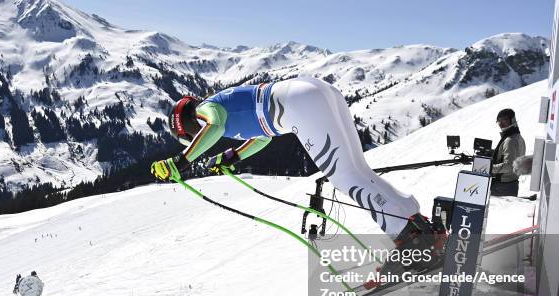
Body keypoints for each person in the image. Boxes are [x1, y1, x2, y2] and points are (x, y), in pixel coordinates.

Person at [151, 77, 443, 266]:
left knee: (345, 176)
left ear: (185, 123)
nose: (194, 138)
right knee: (356, 170)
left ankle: (410, 239)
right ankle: (416, 223)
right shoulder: (225, 109)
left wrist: (180, 162)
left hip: (297, 104)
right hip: (311, 92)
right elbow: (263, 135)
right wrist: (232, 155)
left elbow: (212, 127)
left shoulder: (207, 109)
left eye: (189, 135)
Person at [491, 108, 526, 197]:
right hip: (511, 184)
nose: (501, 123)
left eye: (504, 119)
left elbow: (509, 166)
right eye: (499, 121)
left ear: (512, 120)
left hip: (503, 186)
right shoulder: (518, 137)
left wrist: (489, 168)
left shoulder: (510, 140)